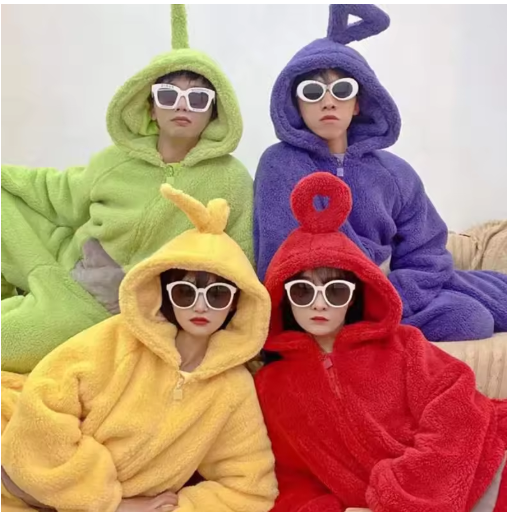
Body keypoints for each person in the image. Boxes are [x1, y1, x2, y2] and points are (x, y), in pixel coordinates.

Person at [2, 5, 254, 374]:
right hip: (67, 260)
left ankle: (31, 309)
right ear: (151, 107)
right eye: (168, 95)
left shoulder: (231, 178)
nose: (182, 106)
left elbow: (238, 259)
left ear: (215, 112)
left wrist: (236, 338)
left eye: (198, 99)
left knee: (8, 342)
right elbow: (57, 194)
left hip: (102, 304)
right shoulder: (116, 160)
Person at [1, 183, 277, 512]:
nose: (200, 306)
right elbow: (43, 403)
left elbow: (250, 489)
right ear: (165, 290)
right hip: (15, 472)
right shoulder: (121, 338)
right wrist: (109, 501)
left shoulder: (233, 389)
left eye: (217, 295)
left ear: (236, 302)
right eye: (186, 292)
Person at [253, 4, 507, 342]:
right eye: (312, 92)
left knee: (472, 315)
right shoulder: (279, 164)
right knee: (470, 319)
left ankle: (373, 325)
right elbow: (276, 254)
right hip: (316, 299)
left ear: (358, 102)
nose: (328, 102)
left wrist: (389, 299)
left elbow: (427, 252)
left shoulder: (395, 173)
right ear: (296, 103)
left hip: (387, 295)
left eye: (342, 90)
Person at [255, 171, 507, 512]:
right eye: (302, 291)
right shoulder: (271, 387)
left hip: (484, 467)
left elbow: (458, 407)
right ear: (283, 298)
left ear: (353, 296)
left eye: (335, 290)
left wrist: (401, 493)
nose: (319, 303)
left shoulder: (404, 345)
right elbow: (291, 480)